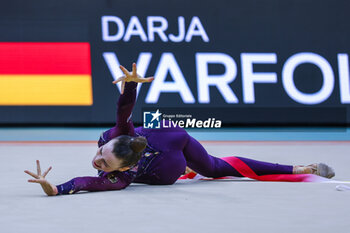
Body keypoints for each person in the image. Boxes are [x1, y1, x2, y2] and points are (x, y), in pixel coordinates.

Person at [24, 63, 335, 196]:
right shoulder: (117, 159)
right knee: (204, 167)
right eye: (101, 157)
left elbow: (123, 113)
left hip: (174, 147)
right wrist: (53, 188)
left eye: (103, 161)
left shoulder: (118, 161)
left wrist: (131, 87)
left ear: (126, 165)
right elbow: (88, 180)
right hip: (155, 144)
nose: (97, 161)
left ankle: (299, 167)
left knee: (215, 168)